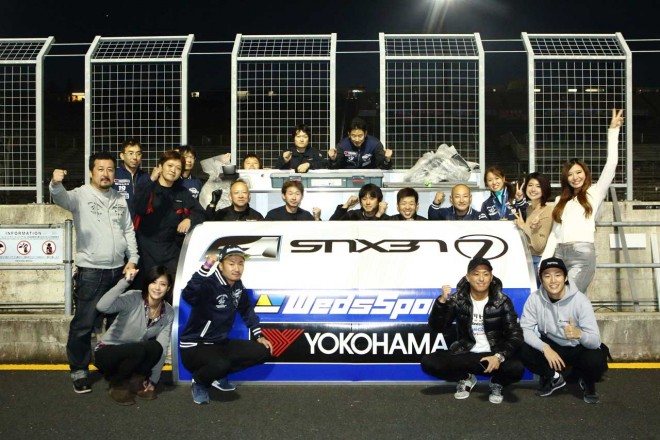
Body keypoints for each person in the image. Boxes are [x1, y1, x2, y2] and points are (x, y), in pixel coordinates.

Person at [49, 151, 139, 394]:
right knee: (84, 324)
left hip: (118, 272)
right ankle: (79, 370)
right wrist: (55, 183)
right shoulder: (80, 195)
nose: (105, 174)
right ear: (91, 172)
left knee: (116, 325)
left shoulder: (119, 199)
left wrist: (133, 259)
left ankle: (113, 368)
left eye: (110, 169)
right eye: (100, 169)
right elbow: (60, 198)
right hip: (91, 272)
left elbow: (128, 231)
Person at [541, 109, 624, 293]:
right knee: (563, 299)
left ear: (585, 174)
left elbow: (611, 164)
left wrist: (613, 131)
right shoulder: (560, 200)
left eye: (578, 172)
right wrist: (544, 262)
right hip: (559, 254)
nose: (575, 177)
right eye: (570, 174)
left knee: (568, 295)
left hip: (582, 254)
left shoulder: (595, 192)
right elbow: (554, 234)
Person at [420, 257, 524, 404]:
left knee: (517, 368)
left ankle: (497, 382)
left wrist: (499, 356)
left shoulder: (502, 301)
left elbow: (515, 335)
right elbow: (437, 327)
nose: (481, 278)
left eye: (486, 274)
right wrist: (441, 303)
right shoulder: (458, 299)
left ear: (491, 277)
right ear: (468, 277)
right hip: (466, 354)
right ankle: (466, 378)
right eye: (476, 274)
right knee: (429, 362)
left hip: (492, 355)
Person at [179, 245, 273, 405]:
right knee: (221, 364)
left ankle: (216, 375)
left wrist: (259, 335)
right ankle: (199, 381)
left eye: (240, 263)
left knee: (264, 351)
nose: (237, 268)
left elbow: (246, 310)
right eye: (231, 263)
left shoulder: (237, 286)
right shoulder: (209, 284)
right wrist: (205, 267)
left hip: (219, 343)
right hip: (195, 346)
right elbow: (188, 294)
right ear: (221, 266)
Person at [519, 257, 608, 404]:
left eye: (558, 275)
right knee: (519, 346)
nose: (553, 280)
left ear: (565, 277)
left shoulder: (581, 301)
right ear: (541, 279)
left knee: (596, 359)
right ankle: (554, 377)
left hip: (576, 346)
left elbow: (595, 340)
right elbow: (525, 329)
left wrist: (579, 334)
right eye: (547, 276)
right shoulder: (534, 299)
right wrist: (545, 348)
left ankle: (587, 381)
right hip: (552, 346)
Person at [94, 266, 174, 405]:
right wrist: (124, 282)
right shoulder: (133, 297)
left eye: (162, 284)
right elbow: (102, 306)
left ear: (168, 288)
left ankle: (136, 382)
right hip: (107, 352)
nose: (157, 288)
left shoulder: (168, 312)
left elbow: (163, 344)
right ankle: (117, 384)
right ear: (147, 284)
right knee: (139, 349)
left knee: (156, 347)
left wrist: (153, 380)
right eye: (153, 282)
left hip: (133, 355)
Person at [133, 150, 205, 278]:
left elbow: (200, 212)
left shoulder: (182, 192)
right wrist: (151, 180)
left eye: (178, 168)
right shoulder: (147, 186)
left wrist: (189, 219)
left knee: (173, 283)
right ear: (160, 167)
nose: (173, 170)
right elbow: (138, 207)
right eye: (170, 166)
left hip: (170, 250)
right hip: (146, 250)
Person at [513, 172, 553, 286]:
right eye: (530, 185)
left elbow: (539, 246)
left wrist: (524, 226)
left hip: (538, 261)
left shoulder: (547, 211)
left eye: (538, 186)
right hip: (527, 258)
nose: (533, 189)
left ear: (544, 189)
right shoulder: (529, 209)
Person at [328, 117, 393, 170]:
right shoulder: (342, 145)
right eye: (353, 136)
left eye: (360, 136)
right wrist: (333, 159)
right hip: (347, 177)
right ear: (349, 134)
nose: (357, 139)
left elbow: (384, 166)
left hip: (370, 177)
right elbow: (334, 167)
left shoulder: (375, 144)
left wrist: (387, 159)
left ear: (365, 134)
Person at [112, 139, 150, 220]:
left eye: (138, 154)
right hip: (118, 222)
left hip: (141, 224)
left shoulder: (145, 177)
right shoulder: (114, 175)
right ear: (122, 156)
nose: (135, 157)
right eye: (131, 153)